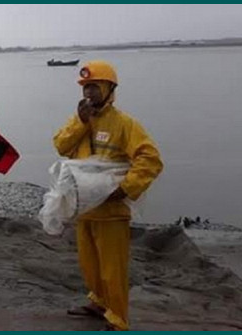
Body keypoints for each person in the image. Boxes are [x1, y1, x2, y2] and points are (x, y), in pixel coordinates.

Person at [53, 60, 163, 330]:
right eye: (85, 87)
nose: (88, 93)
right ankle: (98, 302)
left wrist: (125, 189)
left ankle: (118, 318)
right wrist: (80, 122)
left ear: (109, 88)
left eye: (94, 87)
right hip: (86, 208)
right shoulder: (81, 119)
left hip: (112, 211)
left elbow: (150, 159)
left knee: (112, 268)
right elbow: (61, 145)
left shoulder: (124, 124)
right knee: (89, 263)